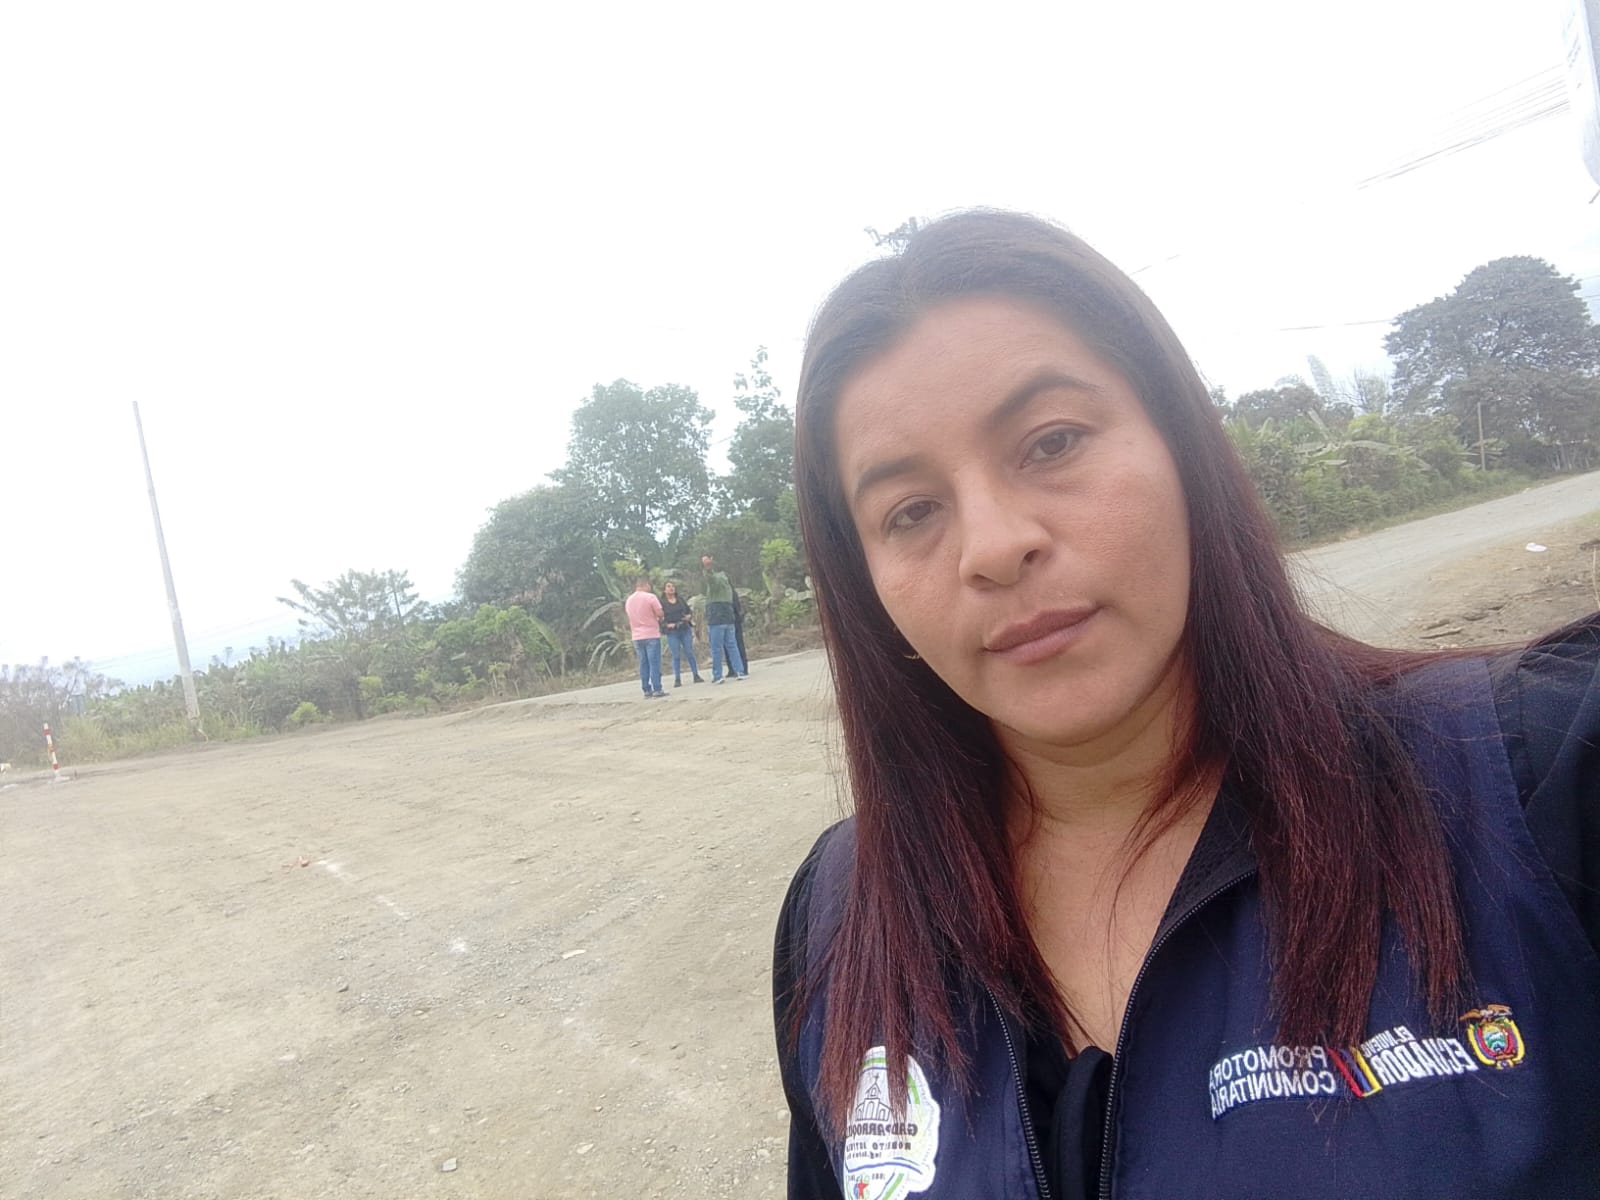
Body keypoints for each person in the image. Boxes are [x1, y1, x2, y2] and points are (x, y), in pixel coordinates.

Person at [771, 210, 1600, 1200]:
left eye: (1051, 442)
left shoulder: (1532, 777)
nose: (993, 546)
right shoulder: (836, 920)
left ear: (1180, 447)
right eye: (910, 512)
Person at [701, 554, 746, 682]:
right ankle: (739, 671)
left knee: (716, 648)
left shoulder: (716, 582)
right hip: (728, 617)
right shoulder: (727, 585)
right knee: (732, 645)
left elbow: (711, 579)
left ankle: (718, 675)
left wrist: (707, 567)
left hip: (716, 617)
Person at [622, 575, 666, 699]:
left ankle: (646, 689)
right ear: (646, 585)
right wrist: (659, 618)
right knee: (654, 662)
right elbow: (660, 613)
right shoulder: (650, 597)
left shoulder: (629, 600)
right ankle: (657, 688)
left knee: (643, 663)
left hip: (636, 636)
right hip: (651, 634)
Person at [660, 580, 703, 687]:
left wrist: (688, 617)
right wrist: (667, 625)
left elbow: (689, 611)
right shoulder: (662, 603)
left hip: (684, 629)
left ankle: (696, 675)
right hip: (672, 632)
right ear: (664, 590)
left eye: (673, 586)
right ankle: (677, 678)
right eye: (668, 586)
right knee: (676, 655)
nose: (671, 588)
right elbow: (660, 618)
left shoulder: (680, 600)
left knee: (689, 651)